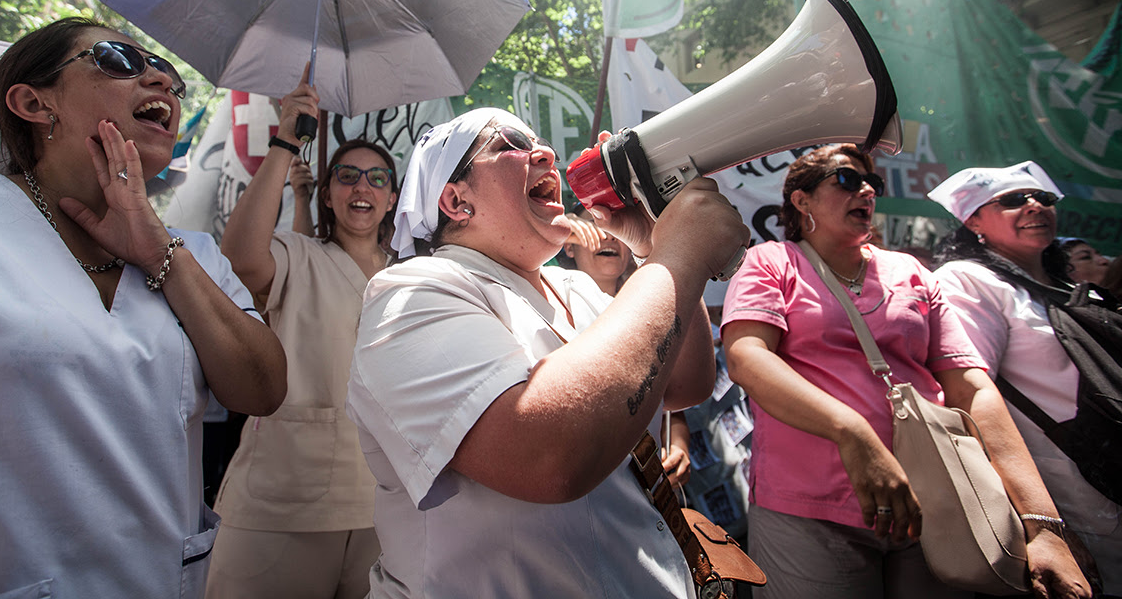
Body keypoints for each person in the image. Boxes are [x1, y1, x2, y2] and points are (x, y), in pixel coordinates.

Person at [0, 17, 287, 598]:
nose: (163, 84)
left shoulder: (195, 255)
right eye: (120, 60)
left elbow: (263, 389)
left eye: (172, 79)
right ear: (35, 102)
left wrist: (157, 251)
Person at [346, 108, 749, 598]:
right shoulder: (411, 292)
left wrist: (649, 249)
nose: (546, 153)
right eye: (509, 142)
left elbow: (684, 384)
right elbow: (550, 458)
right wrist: (679, 255)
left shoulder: (575, 287)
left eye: (539, 140)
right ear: (454, 200)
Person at [721, 145, 1088, 599]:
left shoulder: (912, 272)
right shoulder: (772, 262)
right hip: (809, 513)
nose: (868, 190)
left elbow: (972, 389)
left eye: (872, 183)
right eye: (847, 179)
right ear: (802, 200)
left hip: (933, 507)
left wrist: (1041, 523)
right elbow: (747, 358)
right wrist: (850, 431)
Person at [207, 73, 396, 599]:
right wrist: (286, 140)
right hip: (281, 504)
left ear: (392, 199)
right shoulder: (299, 256)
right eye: (348, 176)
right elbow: (241, 259)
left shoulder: (412, 277)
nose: (362, 187)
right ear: (329, 195)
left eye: (376, 179)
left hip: (386, 511)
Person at [929, 161, 1121, 596]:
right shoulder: (967, 282)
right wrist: (1041, 526)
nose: (1035, 205)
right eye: (1014, 200)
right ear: (972, 219)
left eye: (1044, 198)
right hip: (1071, 497)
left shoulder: (1071, 287)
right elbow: (968, 399)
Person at [563, 204, 691, 489]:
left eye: (618, 229)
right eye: (597, 226)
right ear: (569, 244)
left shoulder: (655, 305)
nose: (609, 237)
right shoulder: (549, 309)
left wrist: (679, 447)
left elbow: (675, 402)